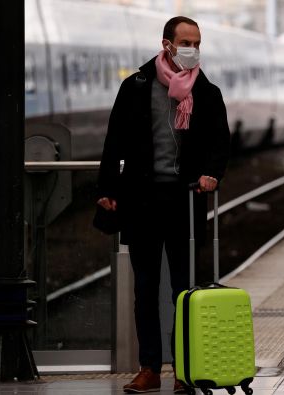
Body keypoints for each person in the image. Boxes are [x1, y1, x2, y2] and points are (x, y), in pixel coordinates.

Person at [95, 16, 230, 393]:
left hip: (186, 202)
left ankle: (185, 370)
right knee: (146, 288)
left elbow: (221, 143)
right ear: (167, 43)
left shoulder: (207, 92)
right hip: (142, 201)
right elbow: (115, 139)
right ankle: (150, 367)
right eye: (185, 41)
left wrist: (211, 174)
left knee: (184, 290)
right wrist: (107, 187)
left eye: (197, 42)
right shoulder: (136, 87)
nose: (192, 49)